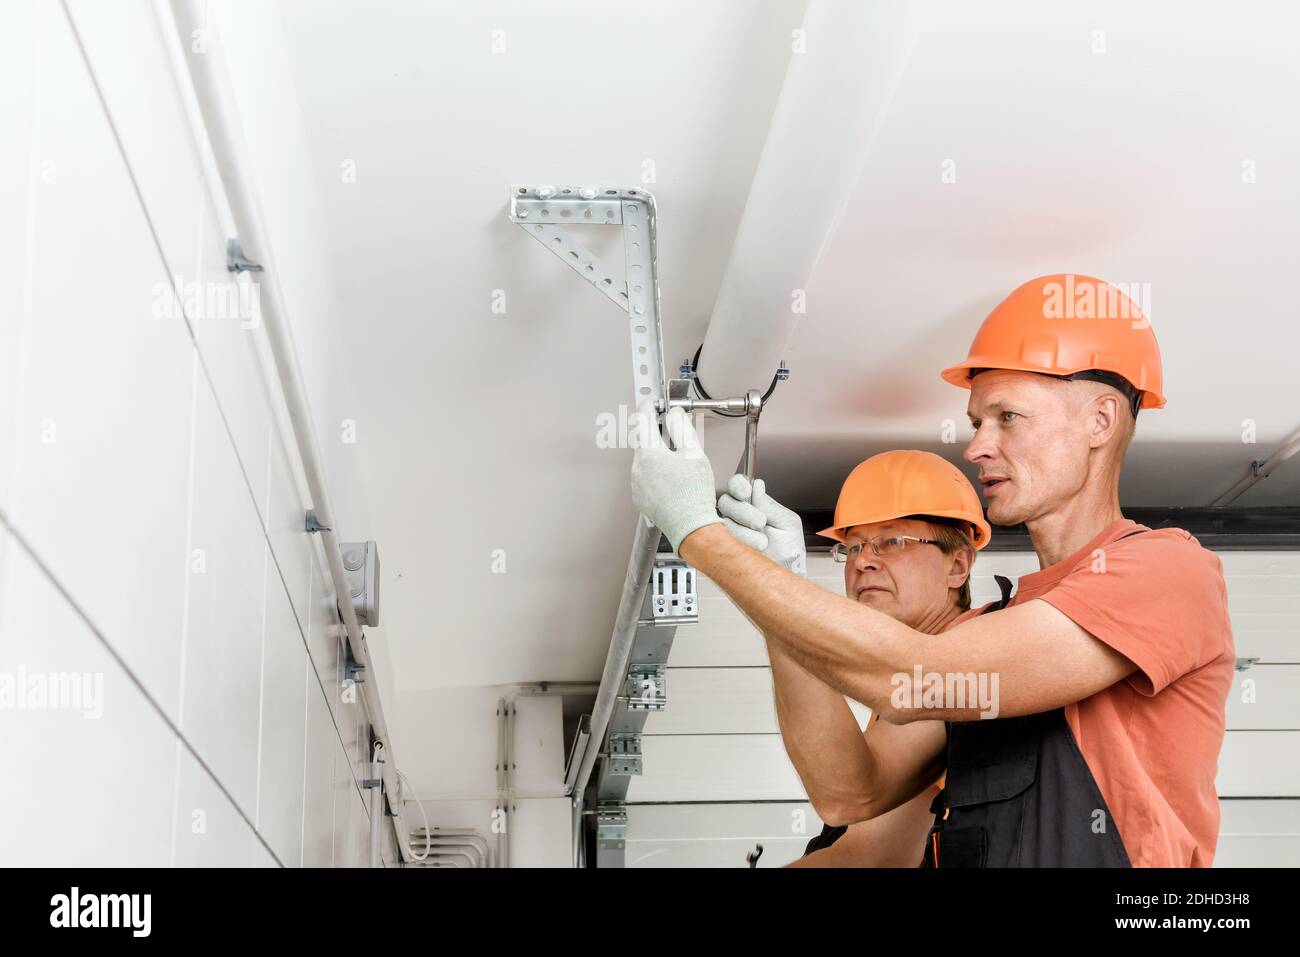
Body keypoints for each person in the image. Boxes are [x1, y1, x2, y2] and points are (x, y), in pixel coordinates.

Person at [630, 274, 1235, 867]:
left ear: (1099, 422)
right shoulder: (988, 629)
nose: (976, 447)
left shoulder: (1166, 570)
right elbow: (848, 792)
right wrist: (777, 589)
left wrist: (698, 534)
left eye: (1007, 418)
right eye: (976, 424)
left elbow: (908, 678)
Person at [729, 451, 989, 867]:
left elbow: (869, 857)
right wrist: (782, 593)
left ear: (957, 565)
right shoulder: (900, 689)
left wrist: (776, 596)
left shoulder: (965, 661)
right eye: (852, 547)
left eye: (892, 542)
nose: (863, 561)